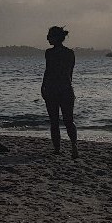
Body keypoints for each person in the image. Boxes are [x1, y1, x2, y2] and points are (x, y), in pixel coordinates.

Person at [41, 26, 78, 158]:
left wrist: (43, 86)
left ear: (56, 38)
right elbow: (70, 73)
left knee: (55, 121)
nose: (47, 38)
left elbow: (48, 71)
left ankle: (58, 149)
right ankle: (74, 146)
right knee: (68, 120)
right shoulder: (70, 53)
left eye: (50, 36)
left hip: (53, 89)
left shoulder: (49, 53)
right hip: (66, 88)